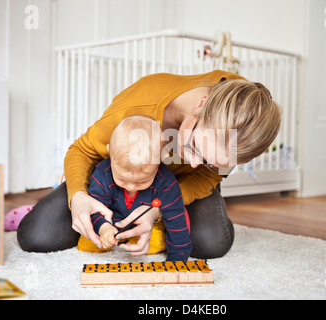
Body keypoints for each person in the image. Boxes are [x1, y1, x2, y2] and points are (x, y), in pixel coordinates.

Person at [17, 70, 281, 259]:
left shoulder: (246, 122)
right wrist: (77, 198)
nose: (191, 162)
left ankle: (158, 224)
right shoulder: (137, 109)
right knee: (36, 236)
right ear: (200, 106)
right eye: (194, 147)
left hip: (175, 188)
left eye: (211, 163)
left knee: (210, 245)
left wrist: (159, 209)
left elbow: (208, 178)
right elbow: (82, 150)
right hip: (119, 178)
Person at [77, 115, 192, 261]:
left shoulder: (166, 181)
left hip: (144, 226)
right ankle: (113, 236)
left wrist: (178, 257)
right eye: (122, 179)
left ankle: (132, 239)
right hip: (112, 223)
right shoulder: (103, 174)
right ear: (110, 153)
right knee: (88, 243)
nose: (131, 186)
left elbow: (176, 219)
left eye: (142, 181)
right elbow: (94, 209)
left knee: (157, 242)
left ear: (159, 163)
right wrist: (104, 227)